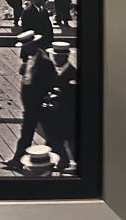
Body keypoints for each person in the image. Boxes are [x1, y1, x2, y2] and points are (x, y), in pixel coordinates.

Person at [2, 30, 57, 170]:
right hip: (31, 105)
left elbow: (52, 81)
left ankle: (18, 160)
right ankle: (18, 159)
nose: (24, 49)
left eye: (25, 46)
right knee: (42, 133)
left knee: (40, 133)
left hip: (38, 104)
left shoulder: (44, 61)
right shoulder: (32, 58)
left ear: (33, 45)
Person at [43, 41, 77, 171]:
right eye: (54, 56)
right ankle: (61, 161)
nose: (55, 59)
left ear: (66, 57)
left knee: (67, 139)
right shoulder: (55, 71)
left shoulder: (72, 74)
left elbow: (71, 96)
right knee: (54, 138)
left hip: (67, 114)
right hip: (56, 113)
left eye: (58, 57)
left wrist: (56, 96)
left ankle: (64, 162)